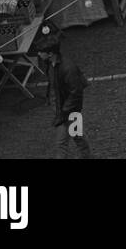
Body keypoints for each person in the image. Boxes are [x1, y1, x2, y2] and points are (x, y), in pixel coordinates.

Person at [34, 27, 91, 158]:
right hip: (64, 109)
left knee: (61, 143)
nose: (38, 54)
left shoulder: (68, 68)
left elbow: (76, 92)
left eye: (40, 52)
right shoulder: (51, 63)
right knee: (78, 136)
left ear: (49, 53)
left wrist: (64, 112)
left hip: (68, 111)